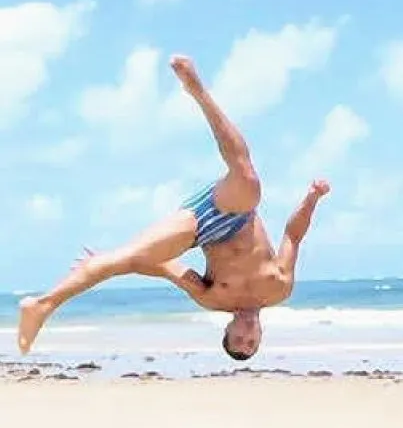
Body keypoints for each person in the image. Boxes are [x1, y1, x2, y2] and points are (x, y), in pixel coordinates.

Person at [18, 55, 330, 360]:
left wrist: (114, 260)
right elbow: (292, 236)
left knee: (123, 259)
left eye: (240, 340)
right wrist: (312, 198)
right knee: (248, 180)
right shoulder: (280, 288)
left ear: (228, 329)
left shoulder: (212, 298)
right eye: (251, 342)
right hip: (235, 211)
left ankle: (42, 305)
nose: (246, 335)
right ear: (261, 336)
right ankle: (197, 90)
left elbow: (167, 268)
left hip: (200, 228)